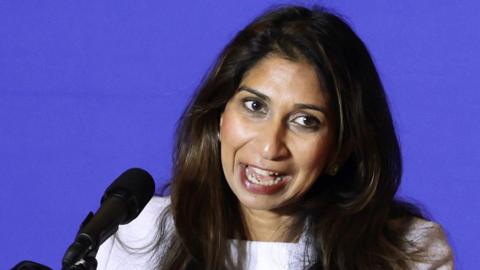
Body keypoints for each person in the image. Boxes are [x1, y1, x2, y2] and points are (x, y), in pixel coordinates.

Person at [96, 5, 453, 270]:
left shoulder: (407, 253)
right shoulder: (137, 232)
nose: (270, 146)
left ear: (341, 149)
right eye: (254, 105)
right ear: (220, 116)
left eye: (304, 121)